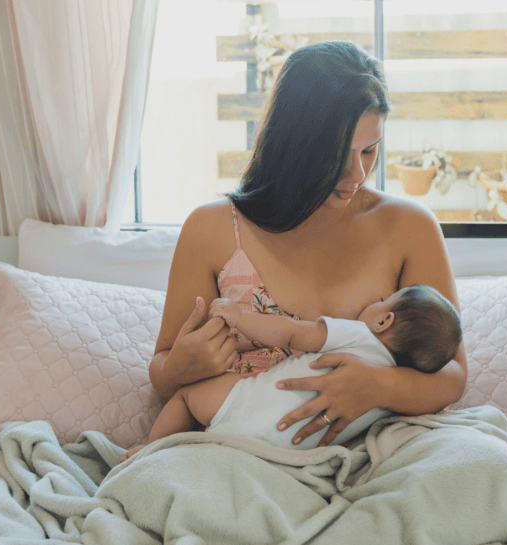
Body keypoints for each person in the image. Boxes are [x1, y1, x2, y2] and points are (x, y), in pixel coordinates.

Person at [147, 40, 468, 452]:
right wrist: (181, 366)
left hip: (372, 456)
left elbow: (453, 376)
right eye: (337, 154)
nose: (357, 173)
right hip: (239, 454)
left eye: (370, 150)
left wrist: (377, 386)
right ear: (293, 145)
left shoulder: (410, 227)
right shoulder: (211, 229)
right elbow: (162, 369)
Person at [123, 285, 462, 458]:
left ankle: (150, 450)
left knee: (187, 396)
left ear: (384, 320)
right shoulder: (394, 400)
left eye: (385, 300)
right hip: (284, 453)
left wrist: (239, 317)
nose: (376, 300)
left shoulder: (357, 334)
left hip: (243, 407)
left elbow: (291, 332)